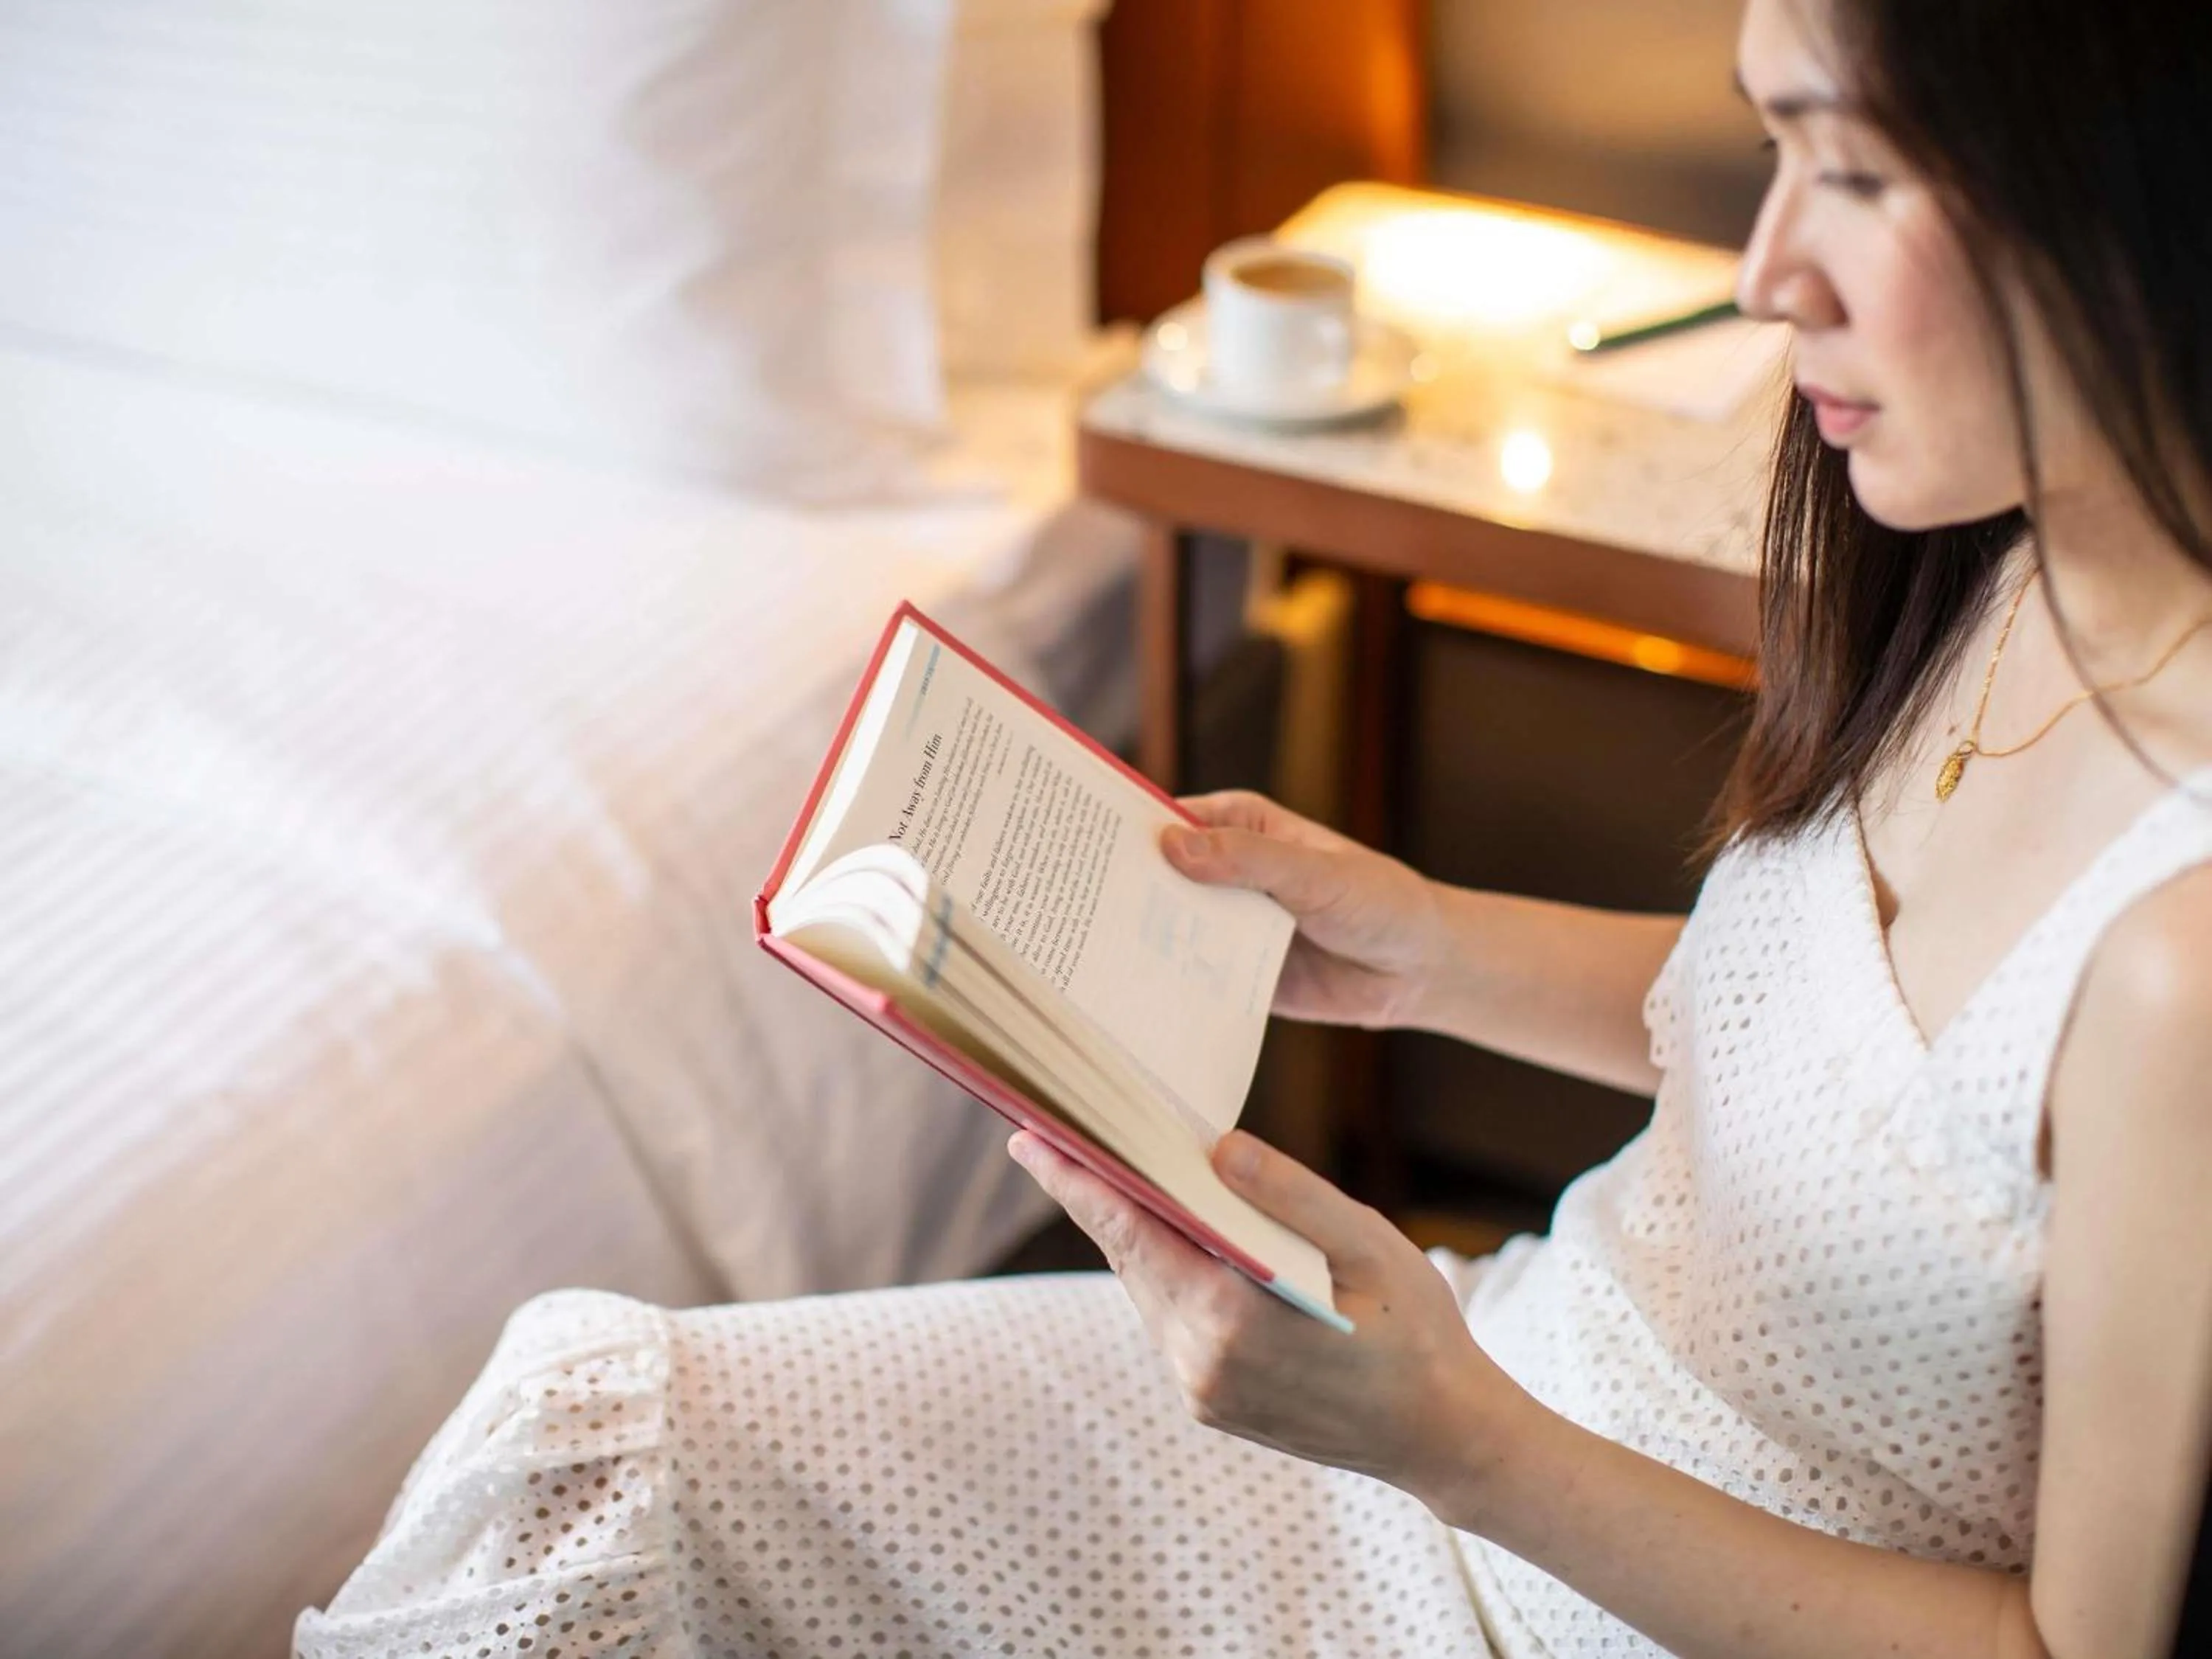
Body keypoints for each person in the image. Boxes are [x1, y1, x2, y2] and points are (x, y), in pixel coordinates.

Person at [296, 0, 2212, 1653]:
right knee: (585, 1445)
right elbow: (1866, 1079)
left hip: (1531, 1535)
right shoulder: (1992, 546)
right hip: (1505, 1394)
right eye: (1770, 148)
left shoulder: (2177, 963)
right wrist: (1420, 947)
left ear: (2126, 172)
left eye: (1856, 172)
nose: (1769, 267)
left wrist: (1455, 1441)